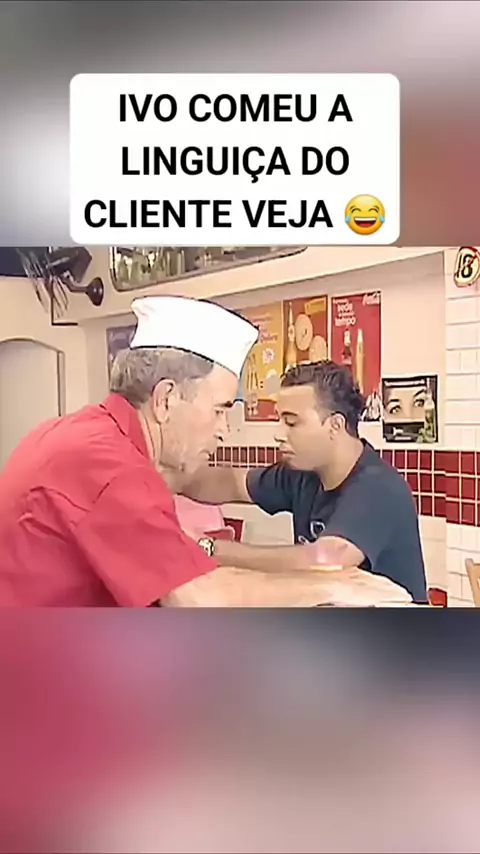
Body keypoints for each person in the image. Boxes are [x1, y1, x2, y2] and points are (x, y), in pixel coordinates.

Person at [181, 360, 428, 603]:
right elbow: (228, 483)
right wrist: (165, 475)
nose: (278, 434)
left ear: (335, 425)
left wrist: (210, 548)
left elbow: (326, 559)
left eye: (291, 422)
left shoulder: (378, 488)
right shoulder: (303, 473)